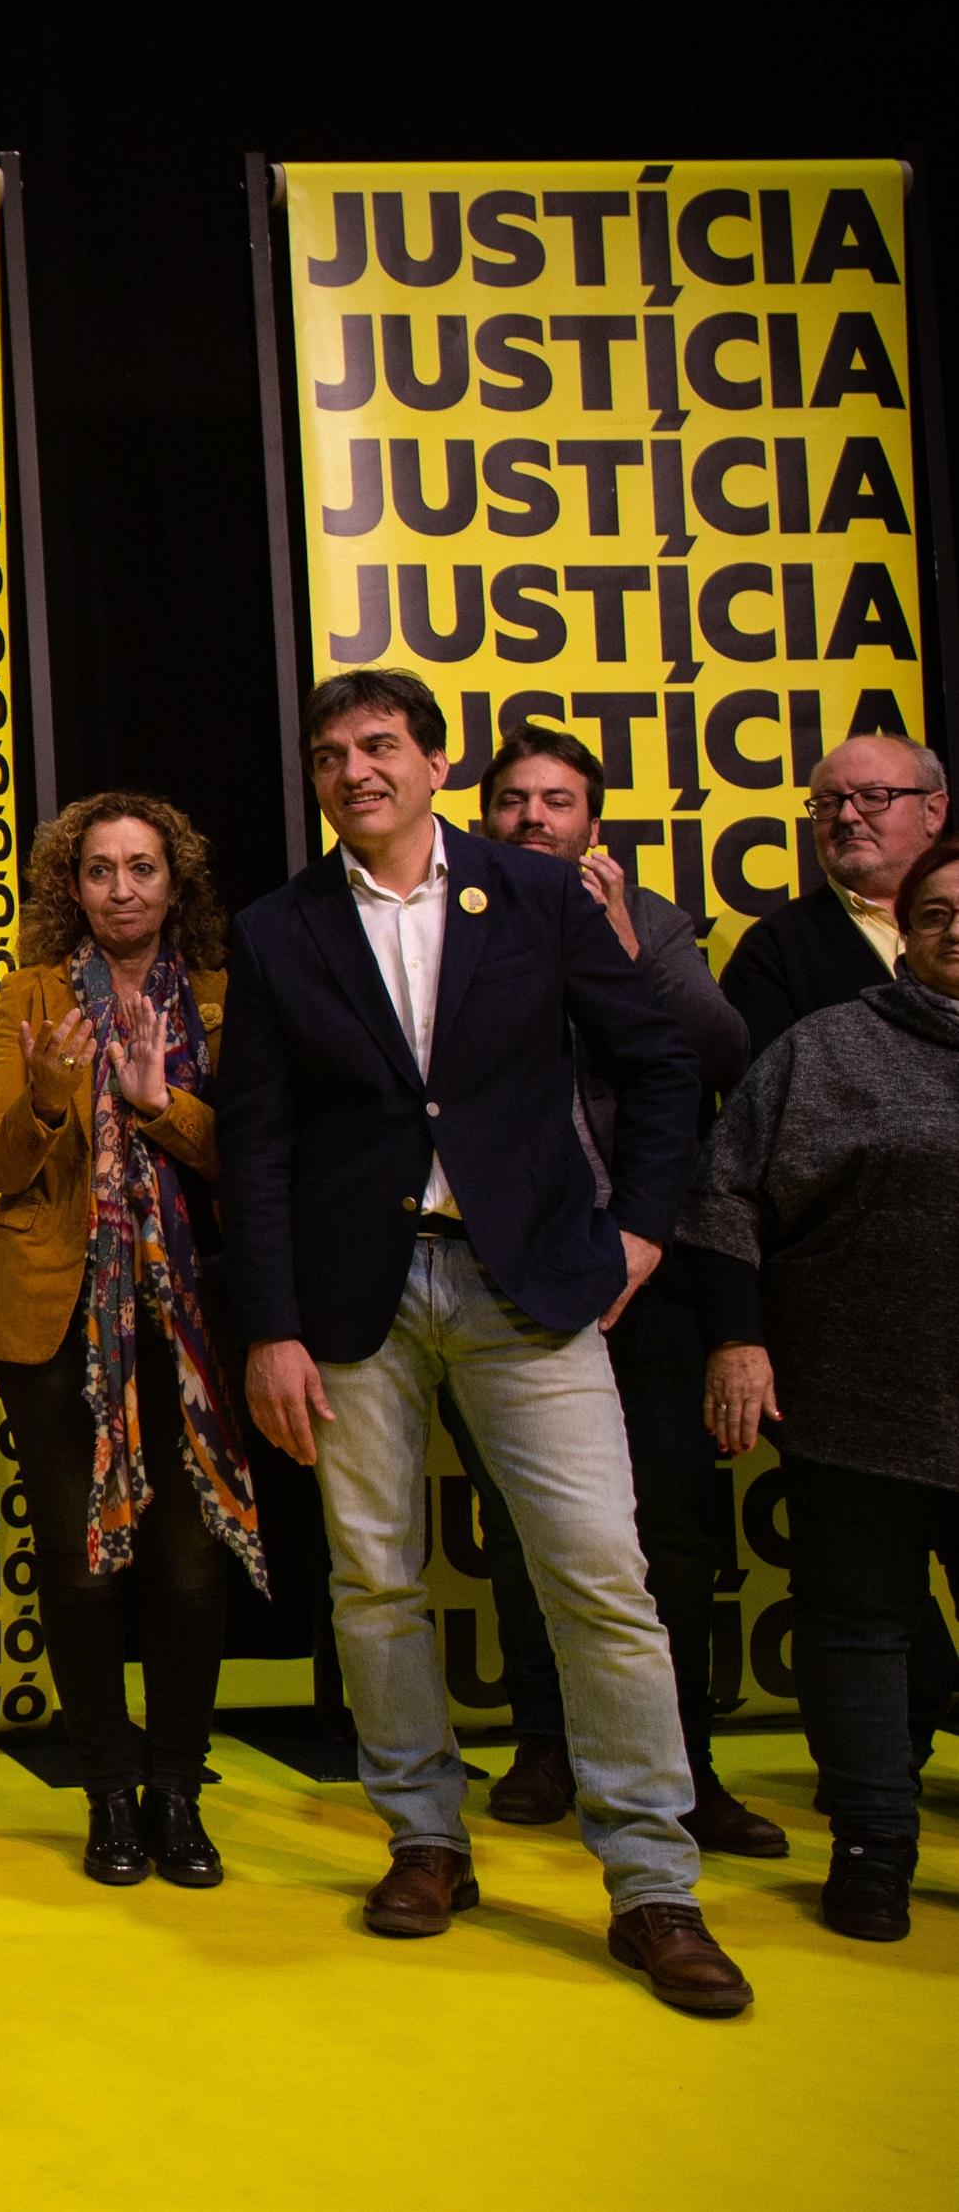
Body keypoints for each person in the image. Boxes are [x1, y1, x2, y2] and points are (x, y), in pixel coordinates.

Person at [219, 668, 746, 2016]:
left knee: (601, 1578)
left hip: (530, 1285)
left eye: (381, 745)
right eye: (330, 754)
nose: (355, 771)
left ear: (438, 762)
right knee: (376, 1583)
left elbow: (667, 1063)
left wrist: (637, 1234)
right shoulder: (279, 927)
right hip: (356, 1301)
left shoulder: (539, 897)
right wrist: (271, 1323)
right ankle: (425, 1838)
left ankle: (652, 1883)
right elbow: (259, 1141)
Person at [461, 728, 776, 1856]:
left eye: (556, 800)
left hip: (652, 1262)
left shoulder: (652, 919)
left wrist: (622, 944)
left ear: (594, 820)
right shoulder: (460, 921)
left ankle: (685, 1766)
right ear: (482, 813)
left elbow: (719, 1050)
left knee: (673, 1530)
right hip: (518, 1256)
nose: (533, 818)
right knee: (522, 1522)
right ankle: (544, 1743)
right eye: (511, 801)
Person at [0, 792, 259, 1887]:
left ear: (172, 883)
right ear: (71, 886)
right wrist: (49, 1098)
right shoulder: (34, 994)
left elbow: (256, 1161)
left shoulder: (230, 999)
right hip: (52, 1320)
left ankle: (177, 1794)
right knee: (81, 1571)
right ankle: (106, 1796)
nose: (121, 888)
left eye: (142, 868)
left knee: (189, 1571)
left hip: (189, 1325)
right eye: (100, 870)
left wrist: (158, 1105)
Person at [687, 836, 959, 1941]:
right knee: (858, 1626)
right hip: (858, 1393)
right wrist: (737, 1344)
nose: (954, 927)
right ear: (905, 927)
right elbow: (725, 1199)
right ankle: (871, 1848)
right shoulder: (827, 1048)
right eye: (935, 910)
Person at [720, 735, 947, 1059]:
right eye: (827, 803)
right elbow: (772, 1094)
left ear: (933, 811)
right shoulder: (776, 950)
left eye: (873, 797)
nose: (847, 816)